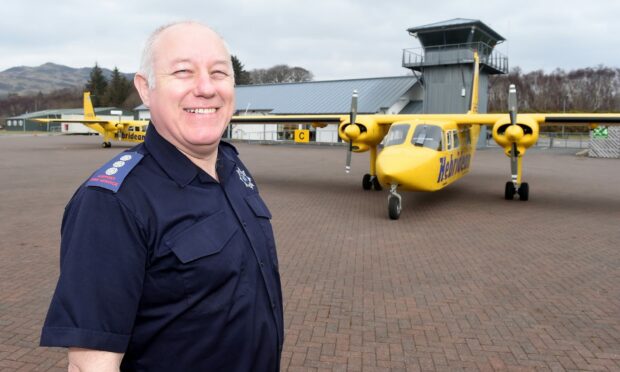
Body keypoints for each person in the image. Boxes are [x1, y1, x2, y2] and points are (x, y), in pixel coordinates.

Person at [40, 21, 283, 371]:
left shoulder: (234, 169)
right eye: (183, 71)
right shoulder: (112, 203)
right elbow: (90, 365)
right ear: (145, 88)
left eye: (219, 73)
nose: (205, 88)